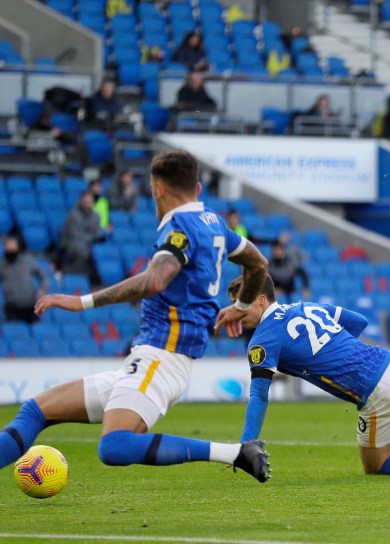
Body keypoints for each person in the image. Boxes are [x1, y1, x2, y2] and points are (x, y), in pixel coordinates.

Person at [0, 150, 272, 482]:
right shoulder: (214, 222)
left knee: (114, 447)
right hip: (151, 359)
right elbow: (258, 263)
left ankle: (234, 453)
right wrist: (242, 307)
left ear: (157, 188)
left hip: (160, 358)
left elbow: (154, 280)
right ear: (198, 188)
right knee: (36, 409)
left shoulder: (180, 227)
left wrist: (82, 301)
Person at [221, 275, 390, 476]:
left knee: (376, 467)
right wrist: (337, 349)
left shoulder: (262, 339)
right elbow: (359, 322)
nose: (236, 313)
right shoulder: (306, 306)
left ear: (259, 299)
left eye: (240, 305)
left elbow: (259, 394)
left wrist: (245, 445)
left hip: (377, 388)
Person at [1, 236, 49, 323]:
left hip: (30, 304)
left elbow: (42, 275)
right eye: (8, 245)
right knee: (14, 332)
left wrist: (43, 288)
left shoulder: (27, 261)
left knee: (36, 330)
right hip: (12, 306)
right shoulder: (2, 265)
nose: (10, 248)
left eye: (13, 245)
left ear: (17, 246)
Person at [60, 190, 104, 279]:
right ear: (81, 200)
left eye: (90, 199)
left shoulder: (96, 216)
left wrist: (91, 238)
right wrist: (90, 238)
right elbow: (75, 235)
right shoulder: (73, 215)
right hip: (72, 243)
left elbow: (97, 234)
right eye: (86, 199)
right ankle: (79, 278)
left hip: (88, 244)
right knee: (82, 251)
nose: (88, 201)